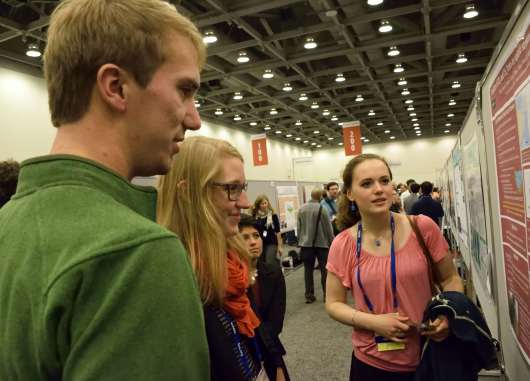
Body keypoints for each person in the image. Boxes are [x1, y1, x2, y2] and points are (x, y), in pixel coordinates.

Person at [0, 1, 209, 379]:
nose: (193, 118)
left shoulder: (8, 225)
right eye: (184, 90)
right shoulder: (136, 253)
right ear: (116, 87)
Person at [325, 153, 463, 380]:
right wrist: (374, 322)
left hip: (429, 353)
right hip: (371, 361)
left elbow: (451, 279)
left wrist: (448, 315)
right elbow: (333, 304)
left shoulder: (423, 227)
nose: (378, 189)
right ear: (350, 193)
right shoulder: (343, 244)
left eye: (384, 180)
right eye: (367, 184)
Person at [158, 136, 286, 381]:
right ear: (187, 193)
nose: (245, 203)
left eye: (243, 188)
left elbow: (255, 329)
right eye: (231, 189)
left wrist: (276, 364)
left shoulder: (232, 264)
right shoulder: (169, 279)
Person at [239, 214, 289, 380]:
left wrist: (276, 363)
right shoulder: (229, 279)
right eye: (245, 237)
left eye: (256, 236)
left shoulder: (273, 273)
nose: (253, 242)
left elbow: (275, 323)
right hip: (240, 354)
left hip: (267, 348)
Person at [297, 188, 335, 303]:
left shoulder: (302, 209)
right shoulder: (322, 209)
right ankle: (326, 295)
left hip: (306, 245)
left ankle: (309, 295)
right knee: (324, 271)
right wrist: (332, 241)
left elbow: (299, 228)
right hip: (321, 244)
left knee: (308, 270)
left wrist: (300, 240)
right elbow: (328, 228)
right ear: (320, 196)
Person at [251, 194, 283, 268]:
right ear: (259, 205)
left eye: (266, 203)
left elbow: (278, 232)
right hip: (260, 242)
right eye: (262, 204)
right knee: (260, 263)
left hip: (271, 242)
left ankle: (274, 276)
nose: (265, 205)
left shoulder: (272, 215)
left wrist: (280, 246)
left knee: (269, 262)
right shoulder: (255, 216)